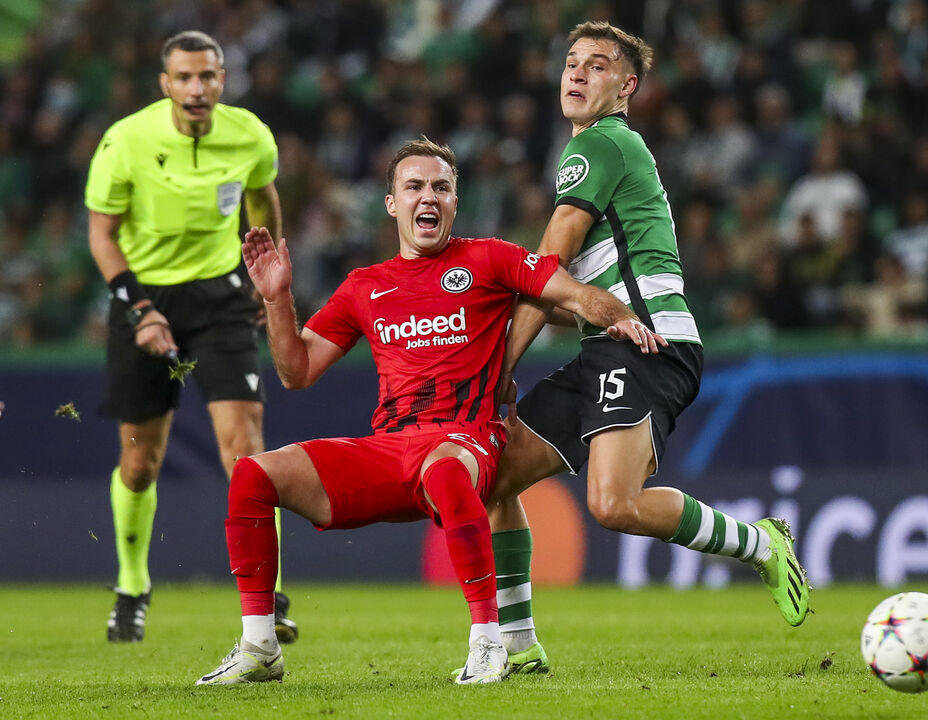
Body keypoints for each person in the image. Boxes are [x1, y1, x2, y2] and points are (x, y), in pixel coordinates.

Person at [195, 138, 665, 685]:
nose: (429, 197)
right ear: (392, 203)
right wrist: (277, 299)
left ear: (454, 201)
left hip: (468, 439)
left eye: (441, 187)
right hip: (389, 447)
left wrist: (620, 316)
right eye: (414, 187)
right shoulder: (363, 287)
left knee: (444, 469)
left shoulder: (490, 258)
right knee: (253, 474)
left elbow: (575, 293)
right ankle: (259, 645)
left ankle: (489, 645)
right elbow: (296, 371)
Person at [483, 21, 812, 675]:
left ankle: (761, 544)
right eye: (571, 63)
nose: (577, 74)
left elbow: (546, 266)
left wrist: (498, 368)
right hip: (607, 346)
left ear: (627, 87)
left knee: (613, 503)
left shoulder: (600, 145)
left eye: (597, 66)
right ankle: (518, 647)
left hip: (648, 344)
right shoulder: (598, 149)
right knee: (494, 478)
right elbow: (557, 285)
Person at [85, 30, 298, 643]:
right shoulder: (126, 141)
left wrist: (268, 283)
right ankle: (131, 585)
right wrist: (139, 307)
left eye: (208, 76)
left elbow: (263, 196)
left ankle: (268, 595)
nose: (197, 89)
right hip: (143, 296)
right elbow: (102, 234)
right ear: (165, 84)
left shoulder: (250, 134)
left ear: (222, 78)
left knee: (247, 451)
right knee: (139, 462)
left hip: (220, 297)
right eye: (185, 78)